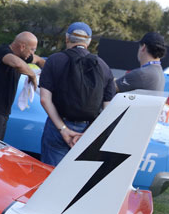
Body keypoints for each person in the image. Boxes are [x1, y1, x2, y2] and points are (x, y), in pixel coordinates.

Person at [39, 22, 116, 166]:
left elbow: (44, 99)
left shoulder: (54, 60)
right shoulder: (104, 67)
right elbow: (108, 109)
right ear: (89, 42)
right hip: (89, 129)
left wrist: (63, 129)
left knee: (51, 177)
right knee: (77, 179)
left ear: (67, 38)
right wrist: (89, 133)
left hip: (58, 127)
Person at [0, 31, 46, 139]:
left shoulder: (23, 56)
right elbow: (17, 64)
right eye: (32, 49)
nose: (32, 53)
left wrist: (47, 73)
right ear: (22, 47)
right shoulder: (3, 52)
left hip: (4, 113)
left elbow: (39, 60)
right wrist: (32, 75)